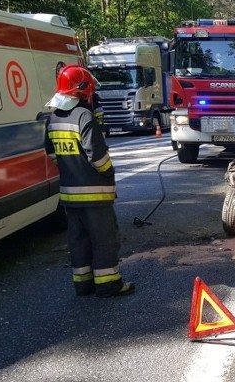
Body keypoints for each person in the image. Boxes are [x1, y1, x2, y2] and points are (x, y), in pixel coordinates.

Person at [45, 65, 135, 298]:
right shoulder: (84, 116)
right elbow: (98, 156)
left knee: (79, 241)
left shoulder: (53, 118)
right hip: (95, 194)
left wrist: (70, 169)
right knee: (104, 240)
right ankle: (109, 285)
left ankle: (83, 284)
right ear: (81, 90)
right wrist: (107, 173)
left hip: (69, 196)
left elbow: (52, 153)